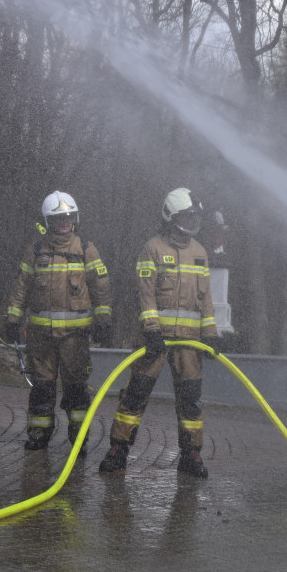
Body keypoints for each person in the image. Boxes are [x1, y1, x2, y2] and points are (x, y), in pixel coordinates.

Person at [98, 188, 220, 478]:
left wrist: (211, 334)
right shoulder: (152, 249)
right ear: (171, 217)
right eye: (187, 217)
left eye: (195, 217)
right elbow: (146, 294)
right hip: (154, 341)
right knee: (135, 395)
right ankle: (118, 451)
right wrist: (151, 331)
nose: (192, 222)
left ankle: (191, 455)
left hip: (189, 344)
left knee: (191, 401)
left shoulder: (200, 253)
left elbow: (206, 299)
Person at [2, 191, 112, 456]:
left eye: (68, 217)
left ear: (74, 218)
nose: (64, 222)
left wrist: (104, 319)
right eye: (59, 218)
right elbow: (21, 287)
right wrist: (13, 319)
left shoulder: (86, 249)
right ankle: (38, 437)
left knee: (76, 391)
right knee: (42, 389)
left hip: (75, 338)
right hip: (41, 338)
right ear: (48, 220)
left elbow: (101, 287)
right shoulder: (36, 251)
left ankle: (79, 440)